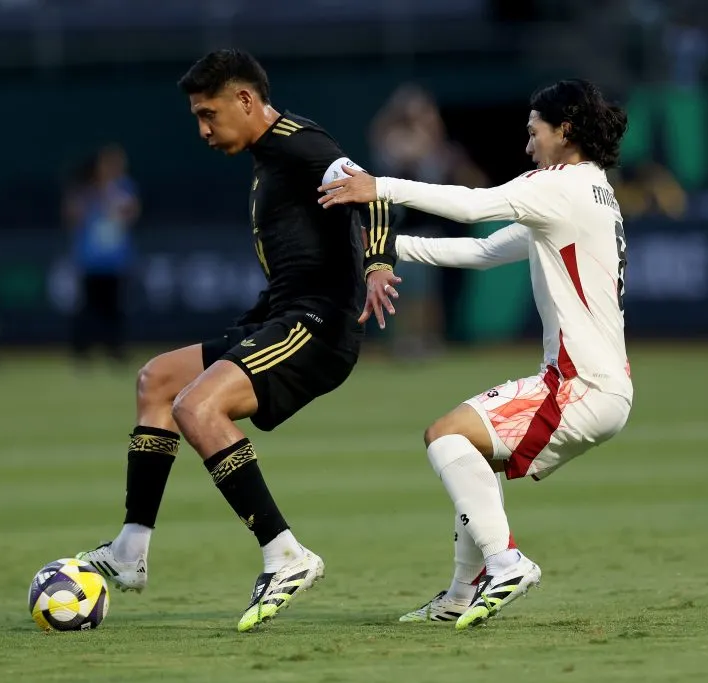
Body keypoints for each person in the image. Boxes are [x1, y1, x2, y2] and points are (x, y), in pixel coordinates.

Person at [77, 49, 398, 632]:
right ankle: (130, 550)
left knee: (197, 408)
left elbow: (370, 190)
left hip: (317, 327)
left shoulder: (298, 142)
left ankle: (285, 555)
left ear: (246, 100)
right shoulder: (266, 161)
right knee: (157, 380)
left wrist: (377, 265)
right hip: (279, 317)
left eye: (208, 114)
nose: (202, 130)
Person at [319, 79, 633, 630]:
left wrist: (378, 188)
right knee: (471, 460)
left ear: (565, 131)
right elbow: (486, 250)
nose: (528, 142)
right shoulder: (592, 192)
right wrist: (389, 248)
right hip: (600, 386)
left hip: (578, 386)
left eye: (534, 130)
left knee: (445, 436)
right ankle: (461, 597)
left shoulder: (558, 185)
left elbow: (472, 207)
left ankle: (507, 563)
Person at [66, 145, 141, 365]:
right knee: (87, 309)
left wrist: (111, 196)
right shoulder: (85, 190)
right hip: (90, 260)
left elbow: (132, 213)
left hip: (116, 260)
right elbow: (71, 216)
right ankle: (82, 352)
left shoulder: (125, 188)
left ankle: (115, 350)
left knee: (115, 309)